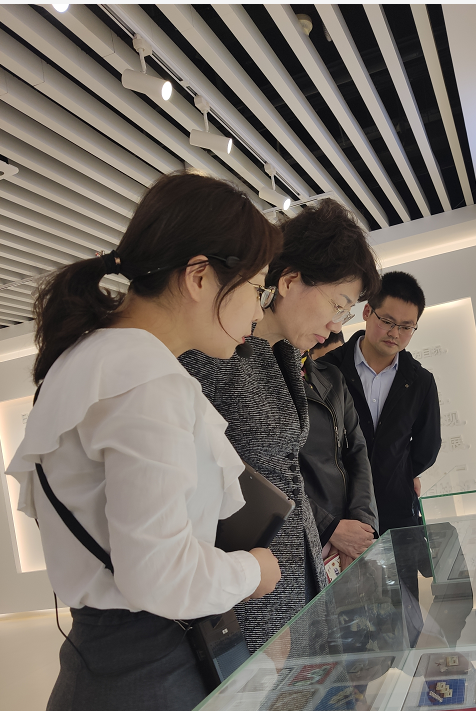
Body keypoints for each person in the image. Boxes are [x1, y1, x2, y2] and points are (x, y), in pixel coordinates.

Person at [6, 171, 283, 711]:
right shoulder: (144, 381)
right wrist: (255, 571)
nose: (257, 311)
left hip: (117, 681)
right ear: (199, 276)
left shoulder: (96, 361)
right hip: (144, 693)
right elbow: (157, 572)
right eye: (255, 289)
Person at [180, 199, 379, 653]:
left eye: (346, 313)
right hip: (247, 583)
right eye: (338, 304)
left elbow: (289, 472)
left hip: (296, 567)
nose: (336, 324)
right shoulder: (215, 351)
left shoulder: (283, 354)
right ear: (288, 281)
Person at [323, 270, 441, 642]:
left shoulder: (420, 381)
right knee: (343, 621)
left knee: (403, 619)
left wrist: (398, 471)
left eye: (406, 327)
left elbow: (427, 447)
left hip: (394, 514)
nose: (395, 333)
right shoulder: (329, 369)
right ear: (367, 312)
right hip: (339, 516)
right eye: (387, 321)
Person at [300, 334, 378, 571]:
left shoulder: (331, 375)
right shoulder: (269, 380)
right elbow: (270, 475)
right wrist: (329, 528)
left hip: (349, 531)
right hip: (306, 533)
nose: (334, 326)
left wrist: (362, 527)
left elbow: (357, 452)